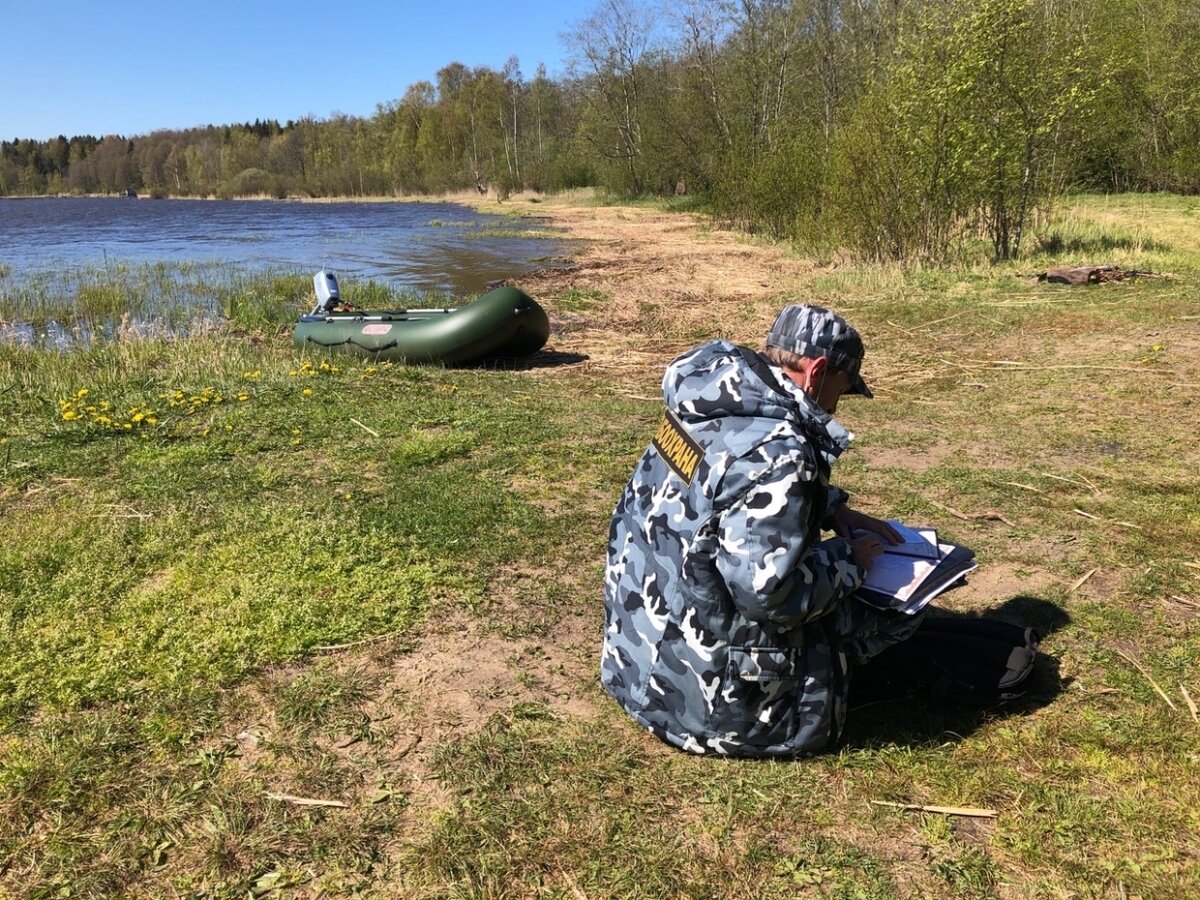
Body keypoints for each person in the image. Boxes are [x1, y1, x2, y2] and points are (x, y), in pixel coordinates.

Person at [601, 304, 925, 757]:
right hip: (699, 709)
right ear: (818, 371)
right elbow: (772, 597)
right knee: (902, 612)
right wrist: (854, 561)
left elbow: (719, 489)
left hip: (632, 661)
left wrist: (833, 510)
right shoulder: (783, 454)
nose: (836, 406)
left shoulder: (712, 398)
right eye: (841, 390)